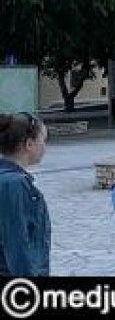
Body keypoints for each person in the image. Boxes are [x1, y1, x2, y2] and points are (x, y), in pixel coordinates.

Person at [0, 112, 50, 276]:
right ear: (29, 144)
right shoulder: (13, 185)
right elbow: (17, 244)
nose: (45, 147)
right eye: (43, 140)